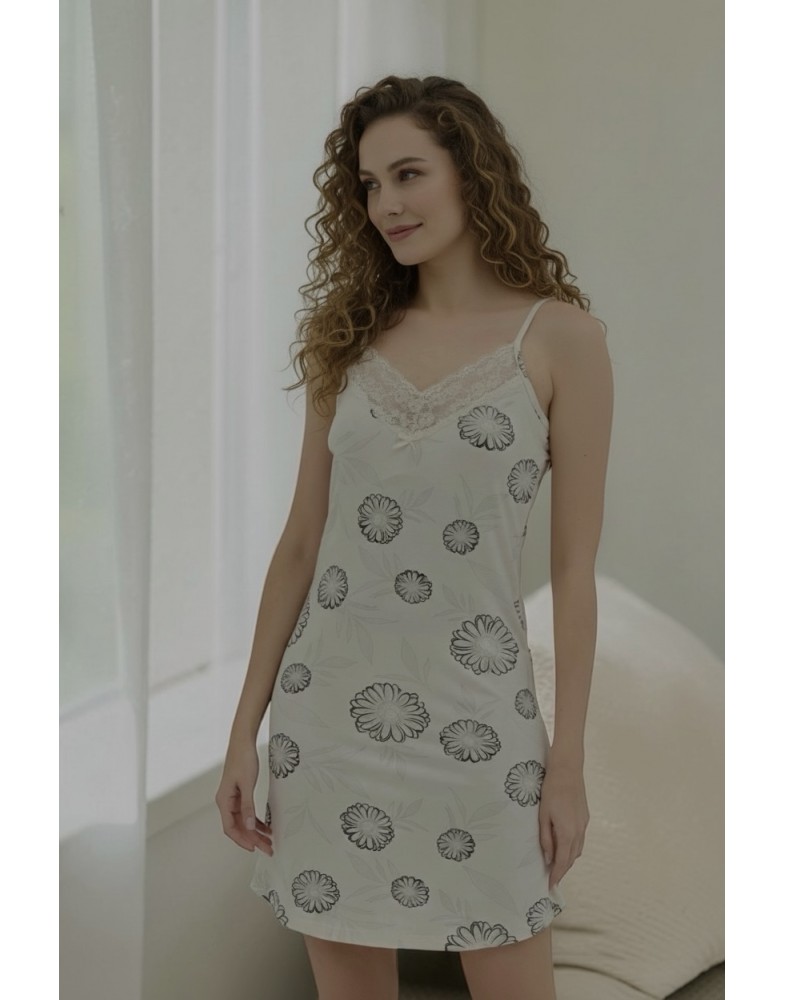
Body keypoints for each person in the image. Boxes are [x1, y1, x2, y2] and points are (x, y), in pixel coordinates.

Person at [215, 74, 613, 1000]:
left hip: (480, 724)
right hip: (326, 725)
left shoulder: (562, 340)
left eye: (407, 174)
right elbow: (301, 545)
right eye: (368, 184)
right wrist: (244, 732)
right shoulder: (347, 339)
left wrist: (566, 766)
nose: (386, 203)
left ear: (470, 173)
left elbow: (573, 570)